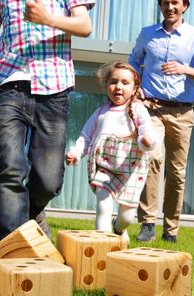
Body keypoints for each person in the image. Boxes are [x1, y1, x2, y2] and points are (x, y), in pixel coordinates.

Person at [0, 0, 94, 242]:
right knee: (9, 167)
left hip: (54, 89)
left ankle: (31, 211)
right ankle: (9, 248)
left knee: (49, 181)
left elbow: (84, 26)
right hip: (9, 86)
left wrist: (47, 19)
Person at [129, 0, 194, 243]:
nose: (170, 7)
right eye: (165, 2)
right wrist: (135, 86)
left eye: (175, 2)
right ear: (160, 6)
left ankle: (171, 229)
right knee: (152, 158)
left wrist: (185, 69)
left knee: (177, 172)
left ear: (185, 6)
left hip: (182, 113)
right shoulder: (147, 34)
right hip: (152, 108)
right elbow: (133, 62)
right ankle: (147, 223)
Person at [65, 61, 158, 244]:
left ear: (134, 88)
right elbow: (86, 136)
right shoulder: (101, 112)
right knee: (103, 207)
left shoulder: (138, 109)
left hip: (131, 169)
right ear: (107, 86)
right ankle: (103, 246)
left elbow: (147, 131)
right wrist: (76, 153)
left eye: (125, 82)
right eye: (113, 82)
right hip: (105, 168)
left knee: (127, 217)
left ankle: (118, 228)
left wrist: (146, 140)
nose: (118, 86)